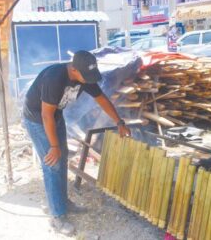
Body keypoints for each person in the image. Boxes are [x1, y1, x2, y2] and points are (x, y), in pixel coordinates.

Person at [23, 50, 130, 235]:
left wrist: (119, 122)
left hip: (55, 117)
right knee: (52, 163)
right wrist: (54, 146)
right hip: (38, 119)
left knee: (62, 158)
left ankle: (63, 203)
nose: (89, 81)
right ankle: (57, 216)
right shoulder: (54, 78)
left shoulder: (85, 76)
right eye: (86, 76)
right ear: (73, 69)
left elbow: (102, 99)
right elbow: (45, 114)